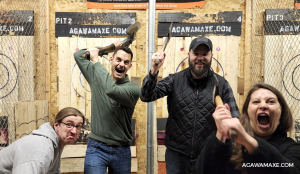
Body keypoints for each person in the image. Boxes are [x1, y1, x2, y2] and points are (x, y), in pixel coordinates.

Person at [140, 36, 240, 173]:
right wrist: (154, 70)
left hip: (208, 154)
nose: (200, 58)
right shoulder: (174, 80)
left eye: (205, 54)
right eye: (196, 54)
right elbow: (146, 96)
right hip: (177, 154)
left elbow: (236, 120)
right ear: (189, 55)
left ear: (211, 56)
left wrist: (228, 122)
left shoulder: (221, 84)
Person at [195, 83, 300, 174]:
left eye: (270, 102)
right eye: (256, 102)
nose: (263, 105)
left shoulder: (292, 148)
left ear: (281, 112)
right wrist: (220, 134)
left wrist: (247, 141)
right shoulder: (232, 147)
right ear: (247, 113)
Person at [73, 42, 140, 174]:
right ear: (111, 59)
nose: (121, 64)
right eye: (118, 59)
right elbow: (78, 55)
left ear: (130, 66)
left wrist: (96, 60)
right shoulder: (96, 76)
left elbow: (110, 89)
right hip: (97, 147)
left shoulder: (133, 90)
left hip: (122, 150)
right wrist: (108, 49)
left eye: (126, 62)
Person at [0, 107, 85, 173]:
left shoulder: (56, 144)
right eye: (69, 125)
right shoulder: (40, 147)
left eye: (78, 126)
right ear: (56, 125)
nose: (74, 131)